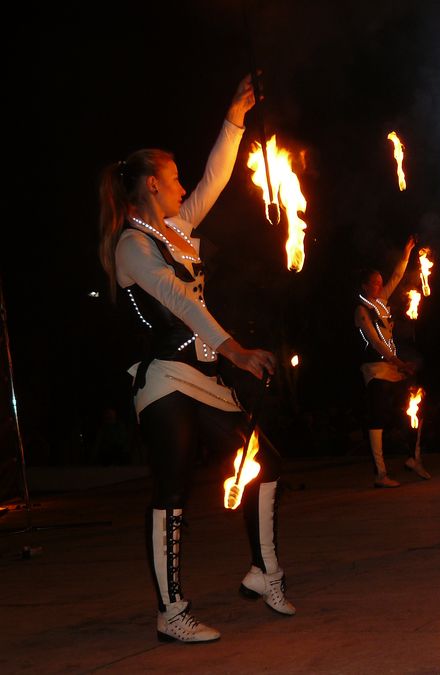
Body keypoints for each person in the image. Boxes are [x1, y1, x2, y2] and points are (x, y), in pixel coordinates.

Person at [98, 75, 294, 644]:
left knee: (266, 465)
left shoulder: (175, 232)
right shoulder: (132, 246)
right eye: (174, 179)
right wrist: (235, 348)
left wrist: (233, 118)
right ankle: (171, 610)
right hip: (164, 383)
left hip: (202, 379)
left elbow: (215, 179)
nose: (184, 187)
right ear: (153, 186)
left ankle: (264, 573)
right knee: (173, 490)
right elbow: (179, 301)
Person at [355, 237, 431, 487]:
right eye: (374, 283)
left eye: (380, 282)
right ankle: (380, 473)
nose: (379, 285)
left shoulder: (382, 302)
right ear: (365, 286)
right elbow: (376, 343)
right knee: (377, 418)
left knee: (413, 407)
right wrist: (399, 362)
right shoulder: (362, 310)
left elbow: (397, 277)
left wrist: (406, 252)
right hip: (376, 370)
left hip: (393, 368)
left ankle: (413, 458)